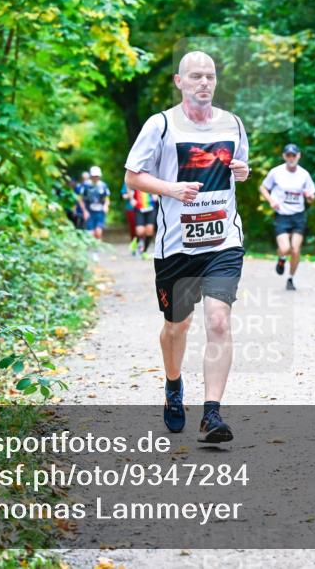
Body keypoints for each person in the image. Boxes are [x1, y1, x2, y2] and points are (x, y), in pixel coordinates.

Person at [124, 50, 250, 443]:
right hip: (176, 246)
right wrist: (171, 189)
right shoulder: (160, 126)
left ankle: (212, 414)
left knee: (218, 320)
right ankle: (174, 384)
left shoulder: (232, 123)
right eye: (195, 76)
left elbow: (239, 169)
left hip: (223, 240)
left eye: (210, 76)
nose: (204, 83)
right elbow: (133, 177)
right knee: (176, 326)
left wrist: (243, 171)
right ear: (179, 82)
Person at [259, 143, 315, 290]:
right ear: (284, 156)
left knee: (295, 249)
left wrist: (310, 196)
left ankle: (290, 279)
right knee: (285, 248)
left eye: (294, 155)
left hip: (298, 216)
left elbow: (312, 197)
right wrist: (271, 200)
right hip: (282, 215)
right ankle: (282, 258)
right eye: (288, 155)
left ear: (298, 156)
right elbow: (263, 187)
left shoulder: (304, 174)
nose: (291, 158)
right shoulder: (276, 172)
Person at [83, 166, 110, 240]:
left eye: (97, 176)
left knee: (98, 232)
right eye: (94, 176)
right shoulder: (86, 185)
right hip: (89, 211)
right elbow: (81, 199)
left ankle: (98, 248)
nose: (95, 178)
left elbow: (107, 198)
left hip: (100, 211)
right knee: (90, 233)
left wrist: (106, 205)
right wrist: (84, 211)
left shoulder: (103, 186)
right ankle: (91, 249)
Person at [132, 189, 158, 257]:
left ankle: (144, 251)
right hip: (139, 208)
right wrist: (131, 199)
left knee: (150, 231)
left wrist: (157, 194)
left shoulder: (153, 178)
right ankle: (135, 243)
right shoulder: (137, 178)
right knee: (140, 231)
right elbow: (129, 186)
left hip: (151, 208)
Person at [120, 182, 139, 252]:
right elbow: (123, 196)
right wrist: (130, 195)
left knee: (142, 227)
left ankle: (141, 245)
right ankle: (134, 245)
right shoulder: (127, 182)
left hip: (142, 208)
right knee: (133, 228)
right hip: (130, 208)